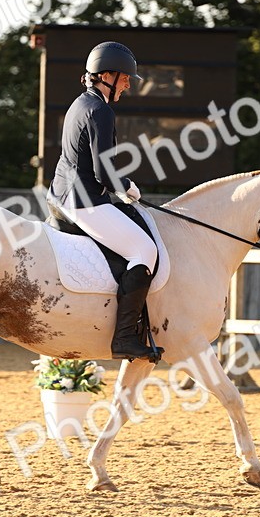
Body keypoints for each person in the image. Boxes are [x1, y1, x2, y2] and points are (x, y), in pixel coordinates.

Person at [48, 41, 162, 361]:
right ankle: (125, 337)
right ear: (107, 75)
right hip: (84, 200)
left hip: (62, 192)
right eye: (125, 78)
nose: (128, 84)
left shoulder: (81, 103)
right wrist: (127, 187)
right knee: (145, 250)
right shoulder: (101, 111)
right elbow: (103, 171)